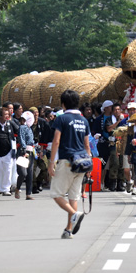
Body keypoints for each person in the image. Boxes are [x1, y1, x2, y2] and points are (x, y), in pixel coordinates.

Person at [48, 90, 91, 239]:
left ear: (63, 104)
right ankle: (68, 230)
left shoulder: (61, 119)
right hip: (82, 162)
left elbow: (56, 141)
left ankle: (74, 215)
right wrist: (89, 163)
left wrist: (51, 162)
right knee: (73, 197)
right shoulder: (83, 120)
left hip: (67, 161)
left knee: (56, 193)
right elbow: (87, 144)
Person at [15, 114, 35, 199]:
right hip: (23, 151)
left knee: (30, 173)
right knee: (23, 173)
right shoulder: (22, 127)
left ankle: (28, 194)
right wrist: (23, 148)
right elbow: (21, 138)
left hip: (30, 151)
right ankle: (17, 188)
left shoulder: (30, 128)